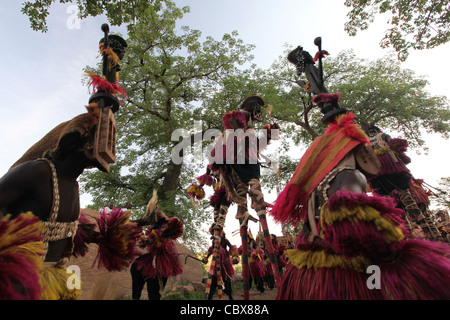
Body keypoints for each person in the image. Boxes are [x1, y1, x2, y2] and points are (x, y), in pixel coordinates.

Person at [131, 191, 184, 300]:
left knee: (154, 291)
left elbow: (163, 239)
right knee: (135, 267)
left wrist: (149, 241)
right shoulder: (153, 226)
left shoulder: (165, 224)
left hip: (162, 260)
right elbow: (149, 238)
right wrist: (143, 239)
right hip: (152, 258)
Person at [202, 230, 237, 300]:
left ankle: (230, 296)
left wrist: (235, 257)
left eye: (217, 231)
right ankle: (209, 298)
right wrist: (206, 258)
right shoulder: (214, 241)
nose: (216, 233)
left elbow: (232, 248)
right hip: (215, 266)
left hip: (225, 267)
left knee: (227, 285)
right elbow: (212, 249)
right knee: (212, 284)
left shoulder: (225, 240)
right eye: (214, 231)